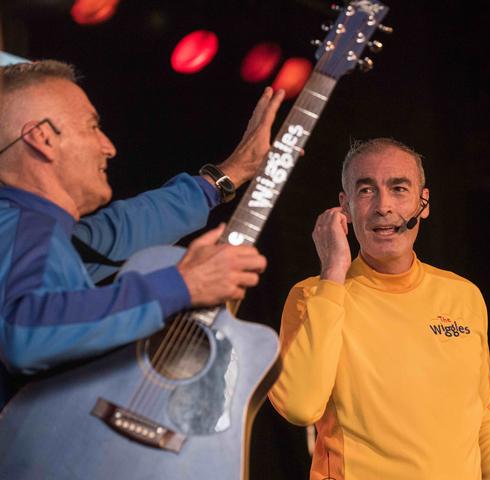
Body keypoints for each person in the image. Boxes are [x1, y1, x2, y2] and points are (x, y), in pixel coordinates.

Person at [0, 60, 284, 409]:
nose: (108, 146)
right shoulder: (26, 226)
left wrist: (231, 173)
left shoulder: (35, 230)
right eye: (92, 126)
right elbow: (26, 331)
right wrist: (184, 284)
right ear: (43, 139)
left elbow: (124, 228)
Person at [269, 138, 490, 480]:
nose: (383, 206)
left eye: (399, 188)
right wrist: (333, 273)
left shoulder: (463, 296)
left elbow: (479, 423)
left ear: (423, 202)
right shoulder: (313, 296)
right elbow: (298, 406)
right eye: (366, 190)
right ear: (346, 208)